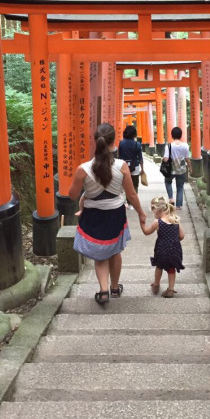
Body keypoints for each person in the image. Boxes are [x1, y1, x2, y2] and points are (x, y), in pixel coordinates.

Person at [69, 123, 147, 305]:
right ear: (114, 142)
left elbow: (72, 195)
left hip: (93, 216)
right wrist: (142, 214)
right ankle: (114, 287)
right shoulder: (122, 167)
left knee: (100, 255)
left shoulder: (83, 169)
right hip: (115, 214)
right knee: (115, 251)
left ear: (95, 141)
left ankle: (103, 290)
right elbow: (131, 195)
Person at [141, 197, 185, 298]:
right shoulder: (176, 220)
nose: (154, 214)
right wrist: (173, 239)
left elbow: (147, 232)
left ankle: (156, 284)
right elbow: (182, 236)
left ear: (158, 210)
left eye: (154, 211)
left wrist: (142, 223)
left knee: (159, 266)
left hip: (161, 250)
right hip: (174, 250)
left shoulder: (158, 222)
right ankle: (171, 288)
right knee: (171, 269)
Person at [163, 126, 192, 209]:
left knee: (168, 182)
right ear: (181, 135)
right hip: (182, 169)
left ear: (172, 135)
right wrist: (190, 168)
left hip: (171, 169)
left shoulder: (168, 146)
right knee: (180, 186)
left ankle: (171, 198)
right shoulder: (185, 146)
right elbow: (187, 158)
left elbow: (166, 159)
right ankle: (178, 206)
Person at [118, 125, 145, 193]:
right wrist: (142, 169)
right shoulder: (137, 144)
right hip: (135, 167)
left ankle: (127, 201)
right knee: (135, 185)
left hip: (123, 167)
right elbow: (140, 158)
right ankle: (133, 199)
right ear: (134, 134)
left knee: (124, 185)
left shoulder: (121, 143)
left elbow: (119, 156)